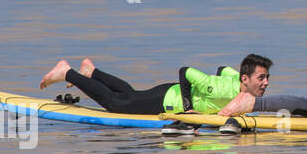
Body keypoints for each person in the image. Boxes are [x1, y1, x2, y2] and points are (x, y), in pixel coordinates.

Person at [39, 54, 272, 115]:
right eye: (261, 78)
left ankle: (91, 72)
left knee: (130, 95)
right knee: (116, 104)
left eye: (266, 77)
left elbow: (223, 68)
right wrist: (188, 107)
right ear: (245, 79)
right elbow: (186, 71)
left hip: (168, 91)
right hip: (166, 100)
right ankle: (67, 72)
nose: (266, 83)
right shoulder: (221, 89)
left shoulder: (236, 80)